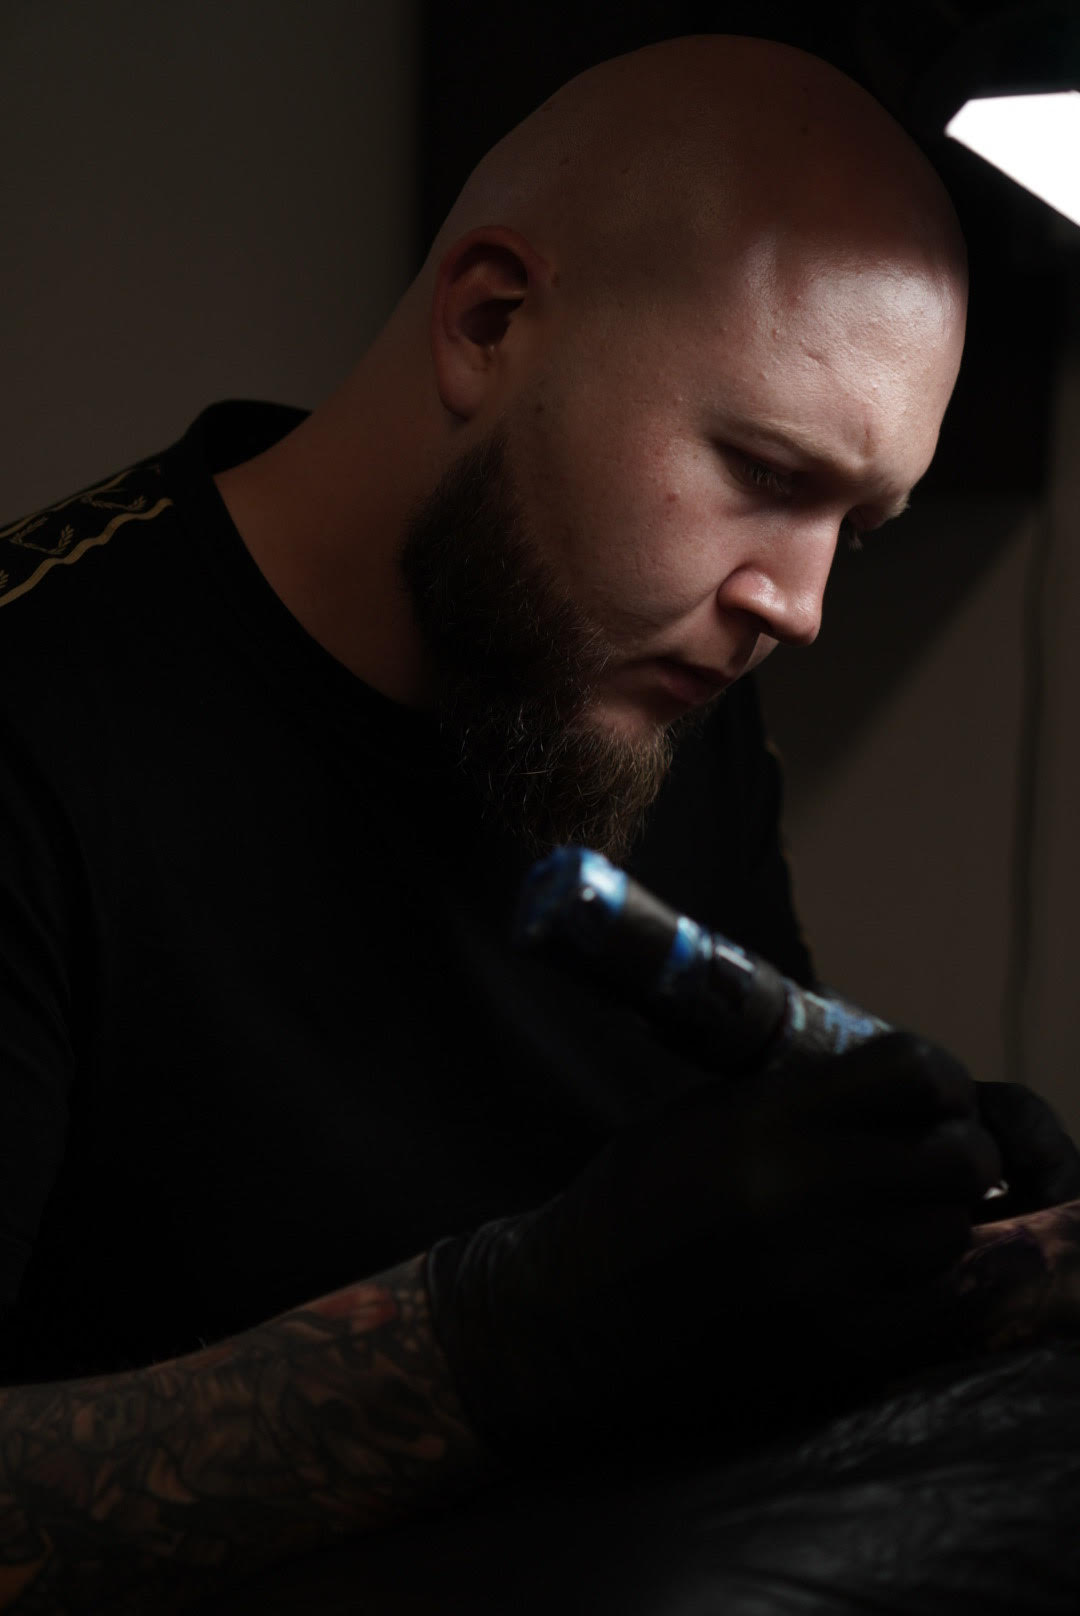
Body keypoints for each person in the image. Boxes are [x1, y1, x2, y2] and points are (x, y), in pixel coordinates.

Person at [0, 30, 1078, 1615]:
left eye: (856, 522)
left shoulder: (649, 680)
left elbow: (720, 1207)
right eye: (763, 468)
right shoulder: (40, 726)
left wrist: (916, 1223)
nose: (799, 606)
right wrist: (515, 1336)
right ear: (490, 322)